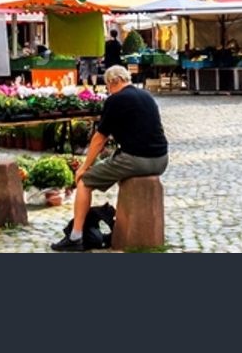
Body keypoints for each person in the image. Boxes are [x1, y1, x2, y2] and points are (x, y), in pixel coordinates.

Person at [53, 65, 169, 251]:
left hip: (136, 160)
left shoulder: (116, 100)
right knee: (115, 163)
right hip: (161, 159)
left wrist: (84, 167)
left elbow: (99, 140)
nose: (108, 90)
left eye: (107, 86)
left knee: (85, 182)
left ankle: (75, 237)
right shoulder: (146, 96)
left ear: (112, 82)